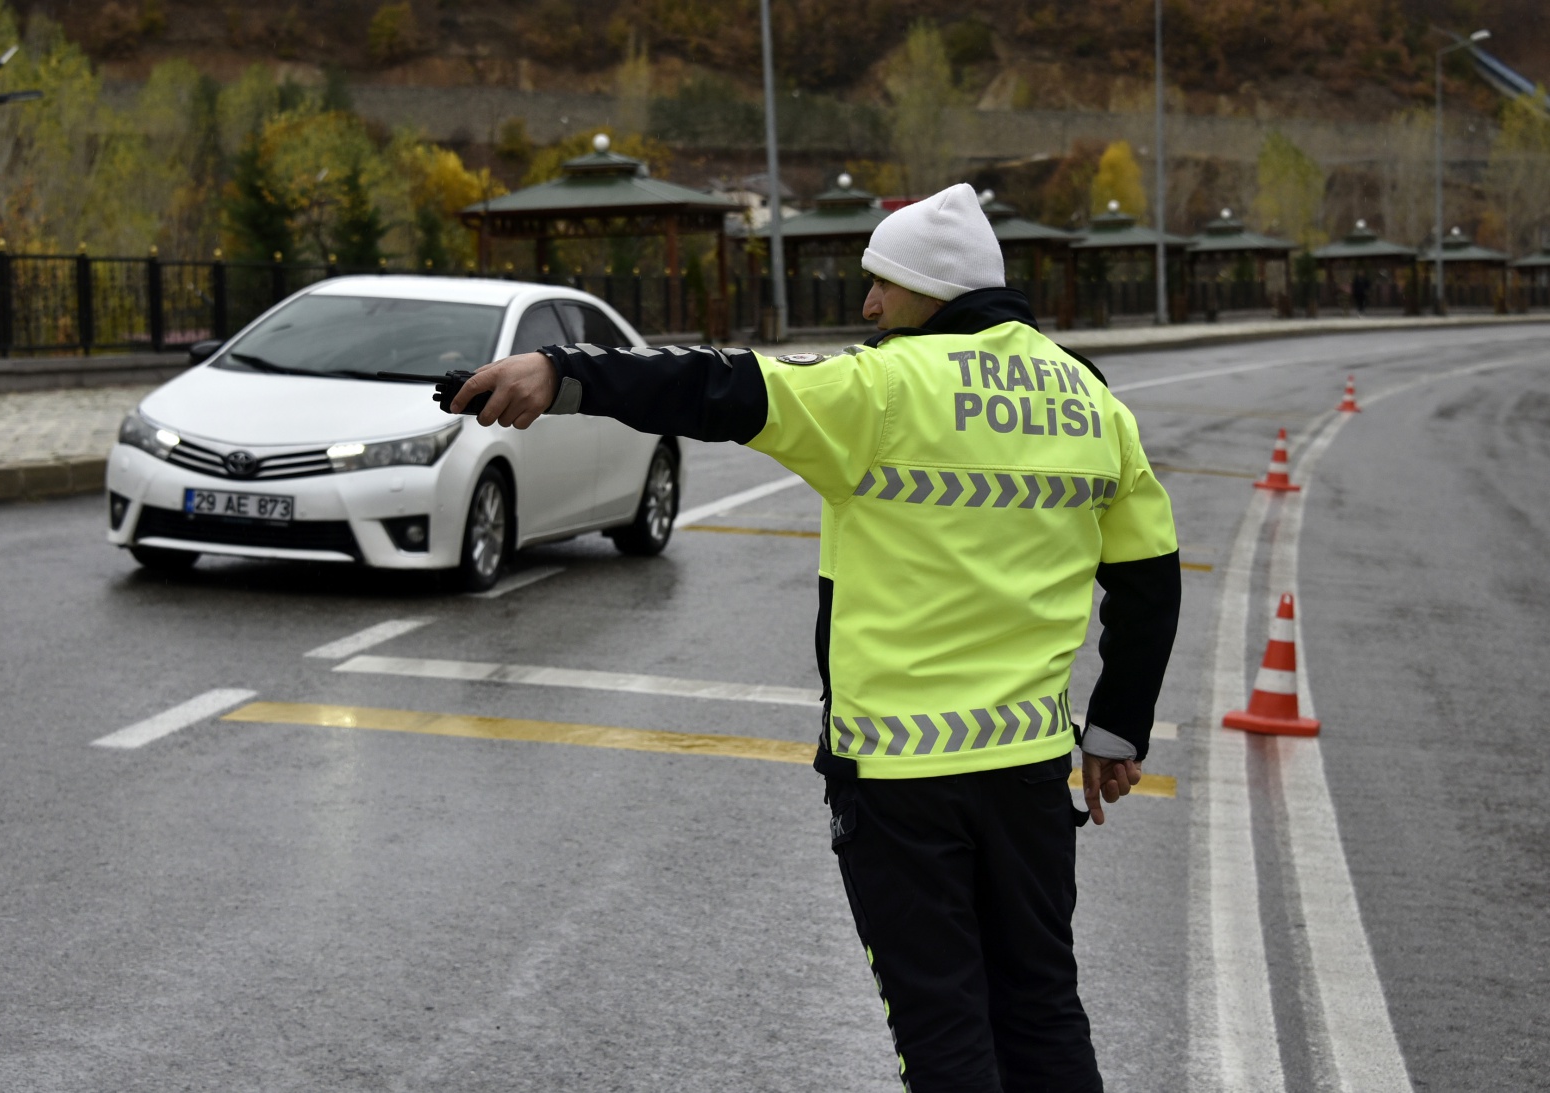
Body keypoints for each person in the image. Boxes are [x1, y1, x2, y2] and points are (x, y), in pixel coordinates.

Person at [436, 183, 1180, 1093]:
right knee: (1042, 1008)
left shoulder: (882, 388)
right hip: (1027, 772)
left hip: (901, 780)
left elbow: (719, 385)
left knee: (942, 1027)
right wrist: (1116, 729)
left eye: (882, 285)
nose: (867, 306)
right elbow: (1149, 576)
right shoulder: (1089, 396)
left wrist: (566, 372)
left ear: (933, 290)